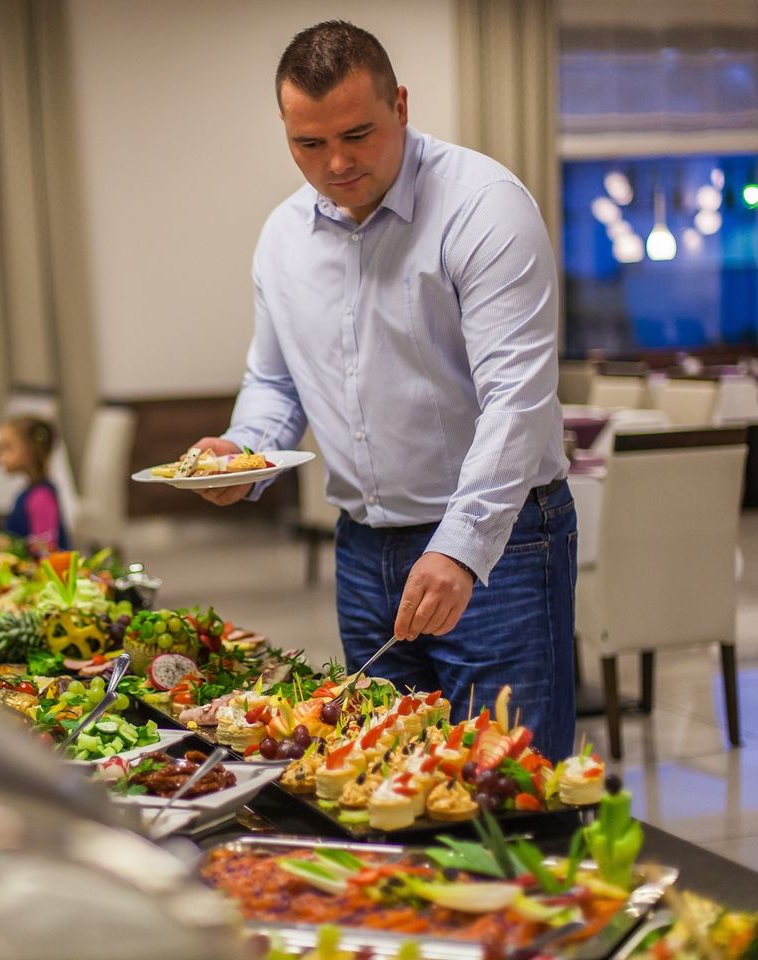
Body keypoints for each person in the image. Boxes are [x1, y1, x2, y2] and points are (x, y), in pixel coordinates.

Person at [195, 20, 576, 759]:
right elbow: (275, 384)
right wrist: (242, 454)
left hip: (502, 545)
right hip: (363, 552)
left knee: (510, 786)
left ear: (401, 104)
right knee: (388, 778)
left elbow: (518, 403)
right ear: (285, 130)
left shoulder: (484, 207)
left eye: (358, 133)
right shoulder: (282, 238)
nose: (336, 162)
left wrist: (461, 549)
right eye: (309, 144)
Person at [0, 415, 70, 555]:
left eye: (7, 448)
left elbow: (45, 550)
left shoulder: (41, 496)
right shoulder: (30, 492)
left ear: (31, 451)